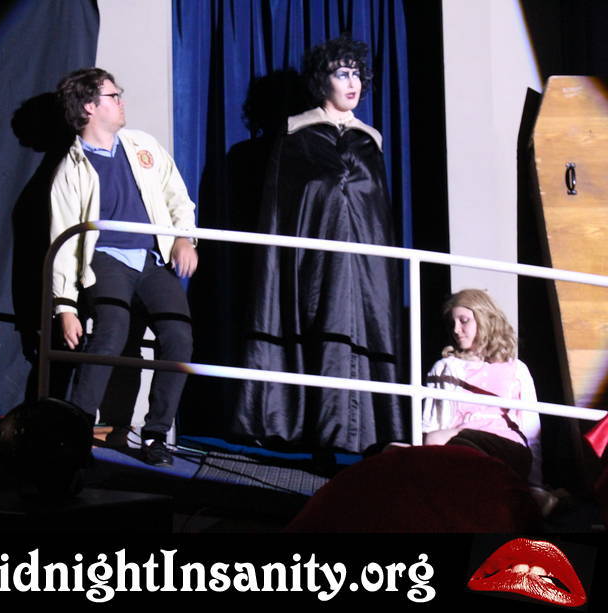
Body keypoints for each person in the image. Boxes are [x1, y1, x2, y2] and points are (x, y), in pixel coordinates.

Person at [232, 35, 405, 453]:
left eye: (357, 74)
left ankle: (367, 431)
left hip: (365, 270)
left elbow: (376, 213)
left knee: (362, 330)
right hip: (314, 264)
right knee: (319, 324)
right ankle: (316, 429)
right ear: (321, 81)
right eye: (342, 74)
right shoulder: (296, 136)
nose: (353, 83)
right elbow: (285, 211)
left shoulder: (370, 141)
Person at [49, 68, 198, 467]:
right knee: (111, 331)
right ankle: (75, 430)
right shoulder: (71, 171)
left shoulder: (142, 146)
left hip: (151, 258)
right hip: (106, 258)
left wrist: (184, 238)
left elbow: (177, 196)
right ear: (89, 106)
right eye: (114, 96)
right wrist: (65, 306)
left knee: (179, 336)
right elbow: (62, 241)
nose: (121, 102)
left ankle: (155, 435)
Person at [422, 289, 543, 487]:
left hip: (505, 445)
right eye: (452, 323)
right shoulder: (446, 367)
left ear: (484, 319)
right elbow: (431, 423)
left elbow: (532, 429)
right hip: (457, 444)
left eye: (464, 321)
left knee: (441, 442)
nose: (456, 329)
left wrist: (535, 483)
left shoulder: (516, 368)